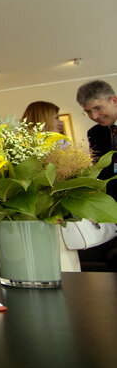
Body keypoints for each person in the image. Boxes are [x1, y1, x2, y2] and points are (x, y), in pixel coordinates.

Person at [20, 100, 80, 271]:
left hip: (59, 214)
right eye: (56, 117)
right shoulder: (25, 147)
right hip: (42, 217)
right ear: (44, 118)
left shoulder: (62, 144)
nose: (59, 122)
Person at [75, 80, 117, 270]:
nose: (94, 116)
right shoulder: (95, 133)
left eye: (98, 108)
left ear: (114, 100)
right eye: (88, 111)